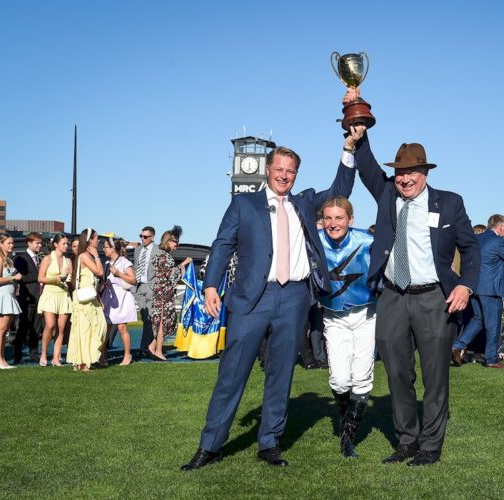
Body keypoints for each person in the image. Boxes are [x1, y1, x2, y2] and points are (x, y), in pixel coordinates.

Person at [181, 145, 355, 471]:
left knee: (281, 374)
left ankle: (270, 443)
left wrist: (348, 151)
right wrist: (209, 286)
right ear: (268, 169)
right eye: (280, 169)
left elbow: (339, 192)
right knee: (232, 375)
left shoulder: (303, 203)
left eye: (290, 171)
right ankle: (210, 445)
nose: (284, 175)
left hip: (294, 299)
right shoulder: (243, 204)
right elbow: (222, 245)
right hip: (251, 300)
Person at [344, 88, 480, 467]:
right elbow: (367, 163)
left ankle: (431, 446)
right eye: (400, 173)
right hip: (391, 296)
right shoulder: (387, 193)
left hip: (433, 297)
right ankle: (407, 439)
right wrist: (357, 117)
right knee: (397, 372)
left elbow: (472, 248)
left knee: (435, 375)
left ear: (425, 173)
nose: (405, 179)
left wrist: (466, 285)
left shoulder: (449, 202)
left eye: (412, 173)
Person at [314, 197, 376, 458]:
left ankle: (347, 437)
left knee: (361, 377)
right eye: (328, 218)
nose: (333, 223)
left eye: (339, 218)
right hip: (333, 315)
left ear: (351, 220)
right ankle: (344, 417)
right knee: (339, 379)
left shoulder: (368, 241)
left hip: (366, 314)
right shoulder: (314, 240)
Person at [452, 214, 504, 369]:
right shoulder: (500, 241)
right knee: (493, 324)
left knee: (478, 320)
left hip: (474, 287)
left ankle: (458, 345)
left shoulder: (478, 239)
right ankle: (491, 359)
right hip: (492, 289)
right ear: (501, 227)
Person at [66, 228, 107, 372]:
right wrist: (96, 256)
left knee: (101, 326)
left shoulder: (87, 255)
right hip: (83, 298)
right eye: (97, 238)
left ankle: (90, 357)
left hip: (92, 296)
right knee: (83, 330)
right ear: (90, 240)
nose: (99, 241)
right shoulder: (84, 256)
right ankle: (81, 362)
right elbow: (100, 272)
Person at [150, 227, 192, 361]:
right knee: (163, 322)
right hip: (164, 293)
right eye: (175, 242)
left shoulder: (159, 255)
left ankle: (153, 346)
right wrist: (183, 264)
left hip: (161, 292)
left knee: (162, 321)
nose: (176, 245)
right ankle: (158, 350)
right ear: (168, 241)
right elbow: (172, 276)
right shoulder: (165, 257)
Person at [37, 234, 72, 366]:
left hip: (63, 294)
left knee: (61, 328)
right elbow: (40, 278)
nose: (66, 246)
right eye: (63, 243)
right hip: (50, 294)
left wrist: (69, 277)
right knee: (50, 325)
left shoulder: (68, 261)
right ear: (56, 244)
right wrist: (54, 279)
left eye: (67, 244)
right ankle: (44, 353)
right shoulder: (47, 259)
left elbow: (69, 279)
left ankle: (56, 357)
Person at [102, 237, 137, 366]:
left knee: (122, 327)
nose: (104, 249)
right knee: (106, 327)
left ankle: (127, 355)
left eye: (106, 247)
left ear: (112, 249)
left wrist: (118, 274)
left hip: (121, 296)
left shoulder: (124, 262)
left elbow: (133, 280)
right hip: (109, 296)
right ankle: (102, 355)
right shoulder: (106, 264)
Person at [13, 232, 44, 364]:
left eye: (40, 243)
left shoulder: (39, 258)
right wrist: (39, 277)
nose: (40, 245)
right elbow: (21, 277)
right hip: (27, 298)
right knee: (24, 327)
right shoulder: (21, 258)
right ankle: (17, 355)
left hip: (39, 297)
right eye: (37, 243)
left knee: (36, 328)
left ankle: (34, 353)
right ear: (29, 243)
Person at [0, 234, 23, 369]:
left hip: (10, 297)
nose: (11, 245)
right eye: (9, 243)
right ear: (1, 244)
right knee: (0, 329)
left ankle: (2, 359)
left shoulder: (9, 260)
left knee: (4, 330)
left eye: (12, 243)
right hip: (3, 297)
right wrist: (13, 278)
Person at [133, 226, 159, 358]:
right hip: (138, 287)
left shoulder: (158, 250)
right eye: (141, 236)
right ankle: (148, 345)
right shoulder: (137, 250)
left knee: (149, 318)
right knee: (145, 318)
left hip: (150, 287)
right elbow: (135, 267)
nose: (142, 239)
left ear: (152, 237)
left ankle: (144, 347)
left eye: (145, 237)